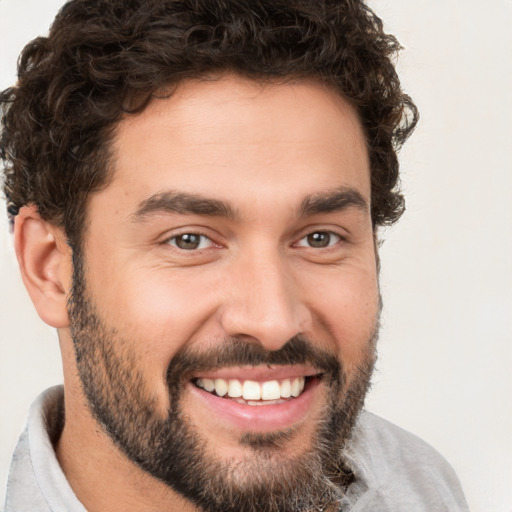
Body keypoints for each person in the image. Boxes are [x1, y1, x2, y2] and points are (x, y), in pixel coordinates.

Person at [0, 0, 470, 511]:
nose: (273, 322)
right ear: (50, 268)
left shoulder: (414, 485)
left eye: (319, 238)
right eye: (190, 240)